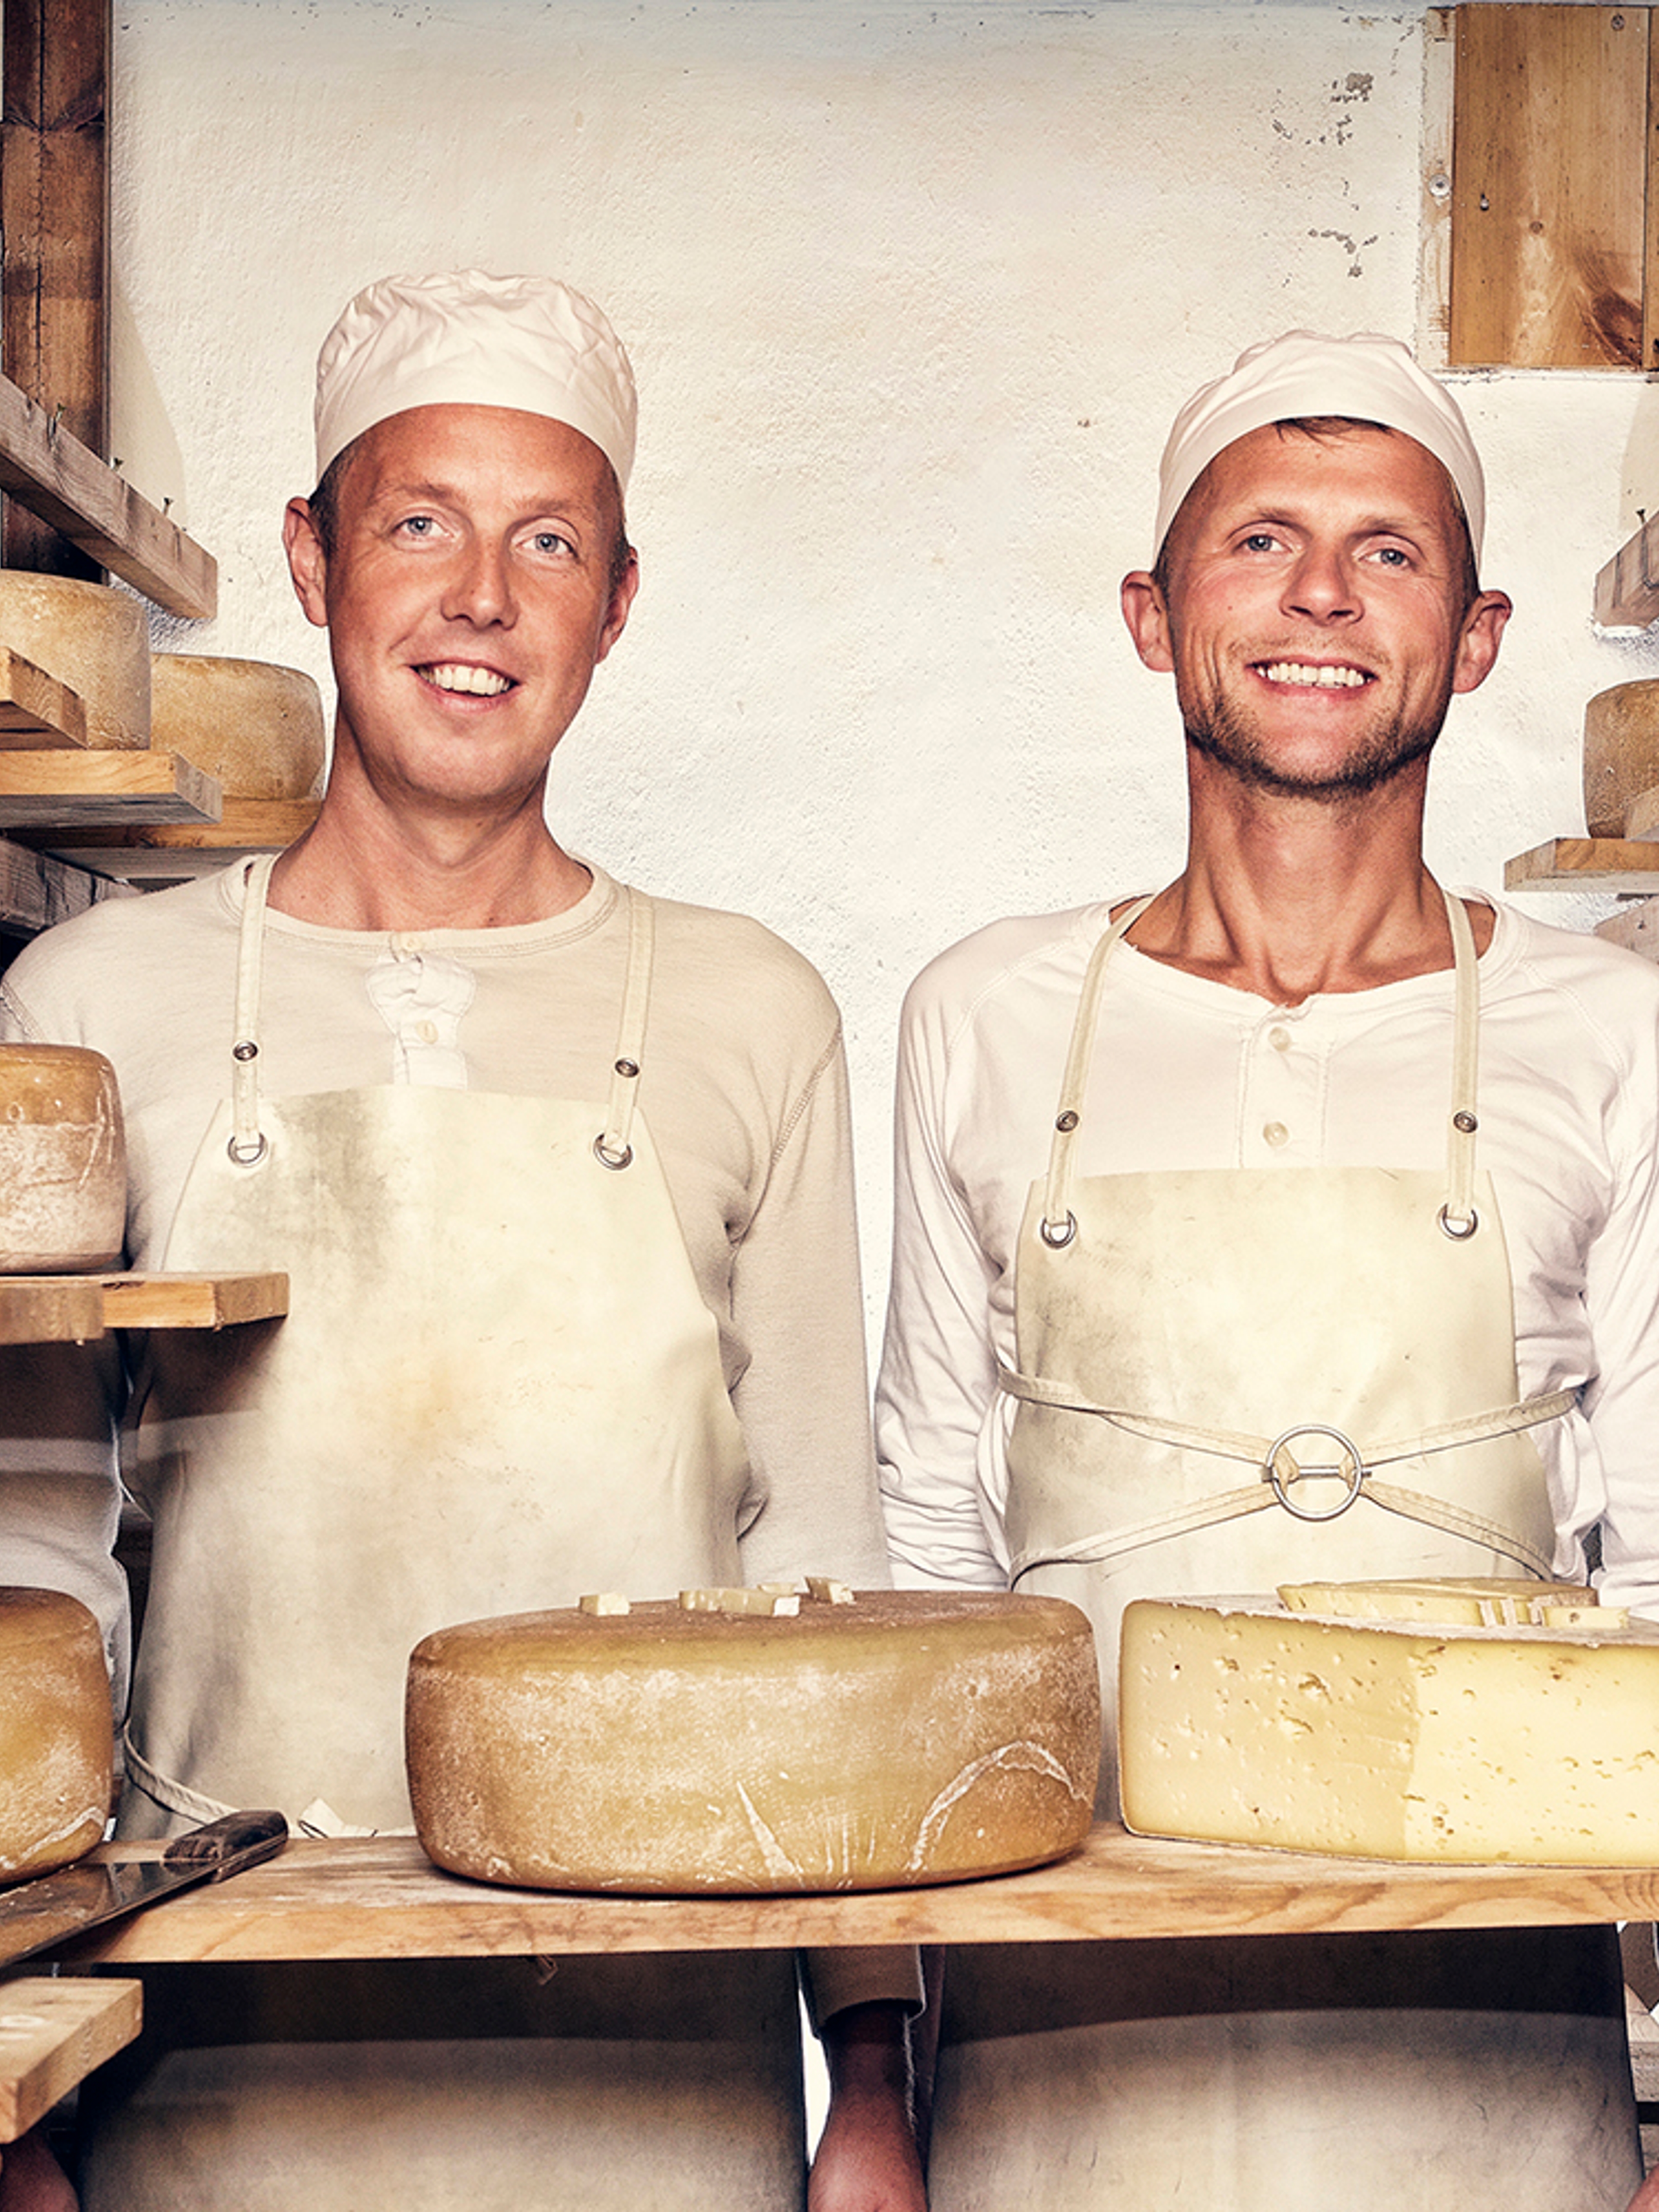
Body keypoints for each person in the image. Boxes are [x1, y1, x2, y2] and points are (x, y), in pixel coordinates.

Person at [0, 270, 924, 2212]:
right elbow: (34, 1577)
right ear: (312, 562)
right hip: (215, 2035)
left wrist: (876, 2079)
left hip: (660, 2036)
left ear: (617, 603)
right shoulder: (98, 997)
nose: (482, 597)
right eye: (421, 522)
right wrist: (29, 2099)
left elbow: (826, 1574)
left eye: (550, 541)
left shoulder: (755, 1006)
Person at [876, 329, 1659, 2210]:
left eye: (1390, 551)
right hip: (1062, 2055)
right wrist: (878, 2074)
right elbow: (925, 1564)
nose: (1323, 594)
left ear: (1474, 636)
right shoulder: (984, 1013)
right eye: (1264, 543)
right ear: (1156, 615)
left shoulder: (1608, 1029)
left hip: (1490, 2053)